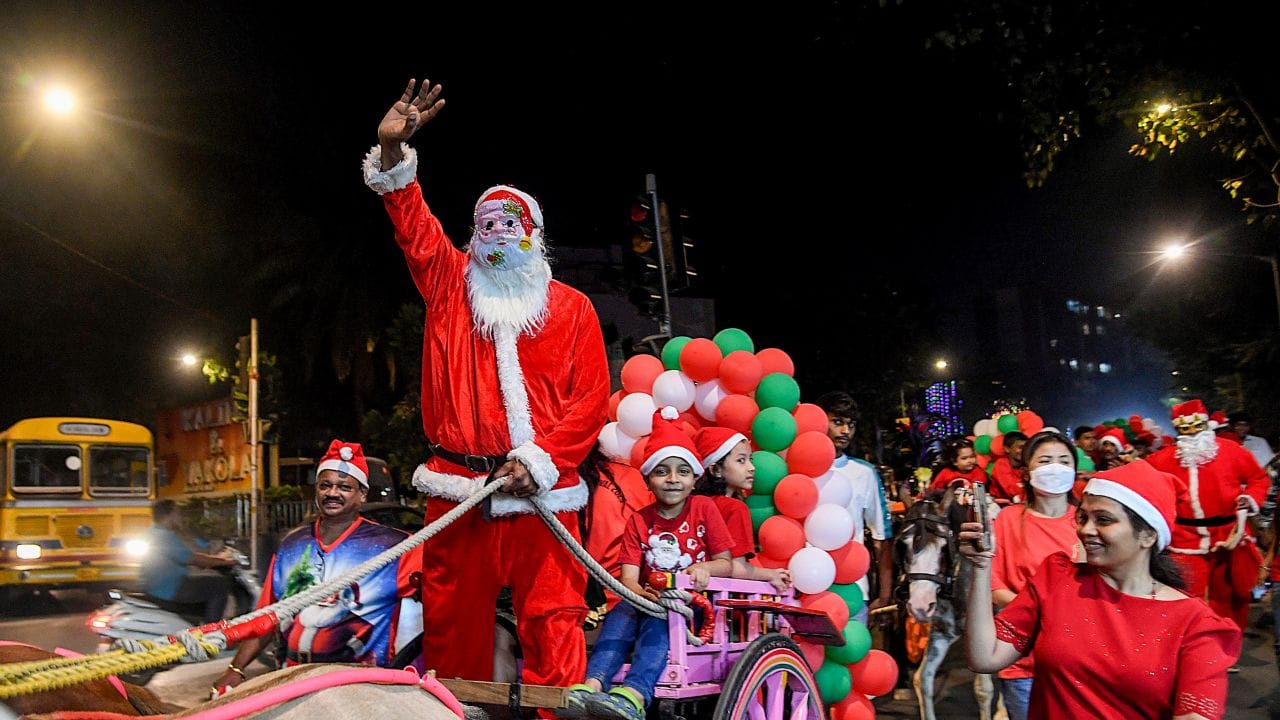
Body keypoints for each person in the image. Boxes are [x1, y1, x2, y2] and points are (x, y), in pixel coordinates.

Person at [364, 78, 609, 695]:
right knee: (452, 626)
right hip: (460, 490)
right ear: (471, 237)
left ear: (534, 233)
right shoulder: (450, 285)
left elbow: (589, 402)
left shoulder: (572, 308)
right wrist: (393, 155)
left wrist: (542, 460)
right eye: (484, 224)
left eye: (510, 222)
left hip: (546, 497)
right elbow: (414, 226)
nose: (495, 232)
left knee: (556, 621)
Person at [962, 460, 1242, 719]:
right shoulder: (1056, 578)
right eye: (1083, 518)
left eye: (1104, 520)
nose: (1086, 530)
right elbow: (985, 656)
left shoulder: (1197, 626)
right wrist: (980, 566)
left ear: (1148, 534)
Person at [561, 413, 734, 720]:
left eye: (683, 471)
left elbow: (727, 563)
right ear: (647, 480)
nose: (672, 479)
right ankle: (592, 684)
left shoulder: (704, 508)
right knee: (621, 614)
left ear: (695, 479)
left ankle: (636, 694)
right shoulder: (639, 520)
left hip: (692, 607)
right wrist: (641, 594)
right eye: (662, 471)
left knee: (658, 621)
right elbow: (628, 578)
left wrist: (705, 568)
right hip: (648, 599)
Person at [213, 441, 423, 691]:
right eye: (325, 485)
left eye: (345, 487)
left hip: (361, 688)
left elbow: (441, 598)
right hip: (292, 681)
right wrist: (235, 669)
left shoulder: (395, 546)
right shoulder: (292, 544)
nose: (332, 493)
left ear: (362, 494)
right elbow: (268, 616)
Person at [1147, 399, 1269, 633]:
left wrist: (1250, 498)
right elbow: (1144, 484)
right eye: (1184, 429)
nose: (1192, 434)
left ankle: (1225, 642)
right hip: (1184, 537)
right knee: (1185, 593)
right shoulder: (1162, 459)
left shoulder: (1231, 451)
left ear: (1206, 425)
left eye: (1196, 427)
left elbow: (1258, 478)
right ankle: (1189, 642)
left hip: (1227, 536)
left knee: (1228, 593)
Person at [988, 430, 1081, 720]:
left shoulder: (1088, 521)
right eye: (1045, 460)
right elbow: (994, 585)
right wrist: (1042, 613)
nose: (1056, 467)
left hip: (1080, 657)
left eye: (1064, 461)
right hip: (1023, 658)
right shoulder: (1008, 519)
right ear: (1027, 473)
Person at [816, 391, 893, 619]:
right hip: (803, 583)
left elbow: (882, 537)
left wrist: (886, 593)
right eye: (837, 422)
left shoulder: (864, 472)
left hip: (853, 587)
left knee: (852, 651)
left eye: (851, 425)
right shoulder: (796, 468)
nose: (845, 431)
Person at [692, 426, 792, 591]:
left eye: (750, 459)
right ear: (715, 469)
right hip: (716, 599)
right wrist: (771, 574)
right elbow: (738, 569)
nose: (752, 467)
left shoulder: (692, 503)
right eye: (741, 460)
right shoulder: (734, 508)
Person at [138, 499, 240, 625]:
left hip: (155, 585)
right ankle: (212, 632)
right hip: (169, 587)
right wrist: (226, 561)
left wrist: (214, 559)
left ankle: (196, 620)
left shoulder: (152, 532)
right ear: (169, 515)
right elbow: (193, 559)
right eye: (177, 513)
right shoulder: (164, 536)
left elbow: (193, 550)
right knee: (219, 585)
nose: (180, 516)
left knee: (206, 581)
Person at [988, 431, 1028, 504]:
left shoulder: (1027, 465)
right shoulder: (1001, 464)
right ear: (1007, 449)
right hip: (999, 505)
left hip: (1021, 504)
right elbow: (1011, 490)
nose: (1024, 451)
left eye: (1026, 447)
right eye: (1020, 447)